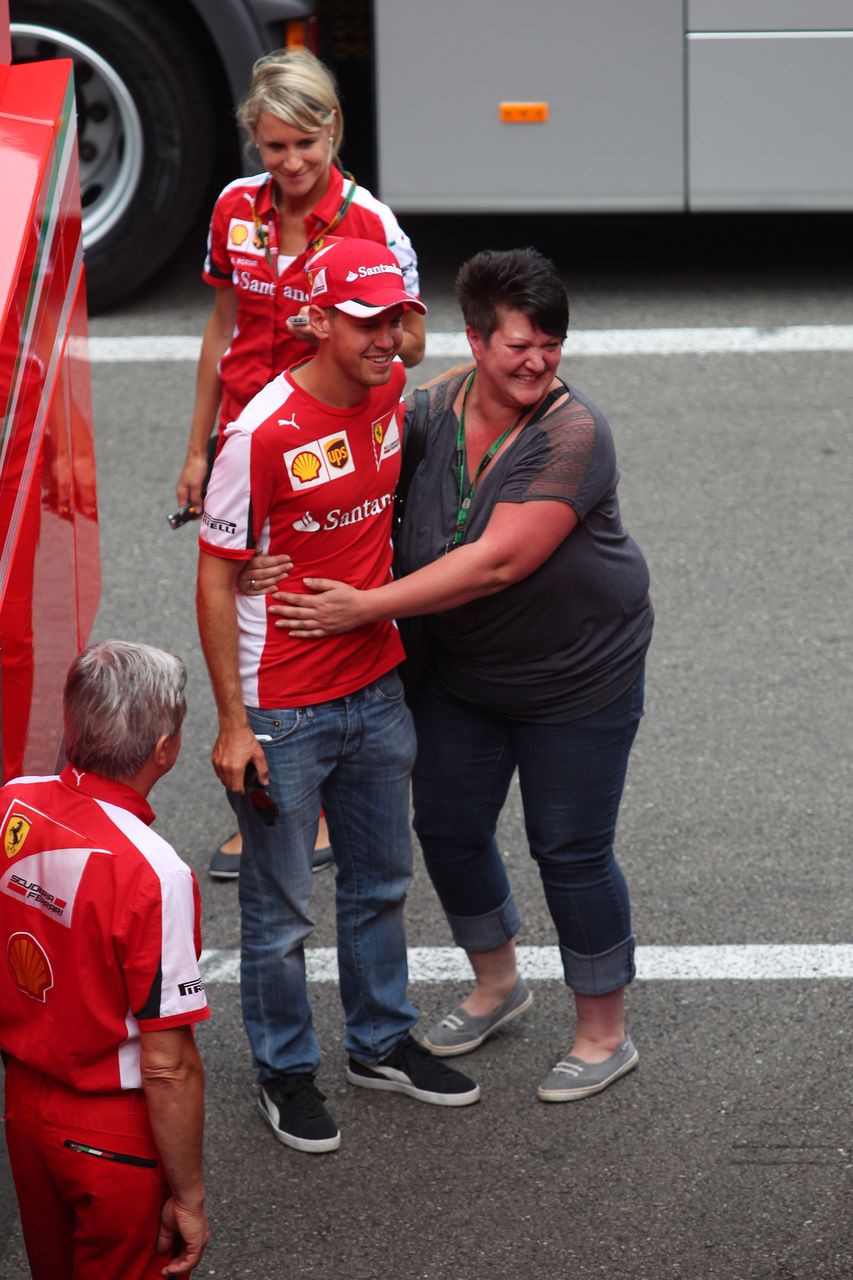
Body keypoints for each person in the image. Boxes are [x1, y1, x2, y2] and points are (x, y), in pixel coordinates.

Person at [271, 247, 654, 1103]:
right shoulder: (427, 409)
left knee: (571, 851)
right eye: (519, 345)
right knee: (446, 826)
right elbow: (345, 473)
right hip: (463, 670)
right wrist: (268, 552)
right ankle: (496, 984)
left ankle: (603, 1032)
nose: (538, 362)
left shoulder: (572, 433)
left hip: (576, 679)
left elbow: (494, 563)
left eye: (551, 345)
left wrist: (362, 608)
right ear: (475, 340)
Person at [196, 237, 480, 1156]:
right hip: (282, 709)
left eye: (394, 318)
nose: (386, 339)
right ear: (314, 321)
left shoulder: (390, 382)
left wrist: (399, 289)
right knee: (279, 916)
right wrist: (234, 725)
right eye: (364, 321)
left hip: (375, 687)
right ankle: (284, 1069)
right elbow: (215, 577)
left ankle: (379, 1042)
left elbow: (421, 347)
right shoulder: (260, 432)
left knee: (381, 885)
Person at [174, 47, 426, 881]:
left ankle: (307, 800)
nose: (288, 165)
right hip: (248, 451)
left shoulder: (372, 223)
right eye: (272, 147)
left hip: (323, 442)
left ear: (334, 133)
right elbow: (220, 330)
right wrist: (197, 448)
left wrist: (351, 337)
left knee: (305, 605)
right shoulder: (232, 208)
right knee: (239, 592)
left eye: (303, 147)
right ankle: (273, 782)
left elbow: (412, 340)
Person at [0, 641, 210, 1279]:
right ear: (165, 749)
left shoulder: (13, 801)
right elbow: (169, 1066)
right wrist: (191, 1197)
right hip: (108, 1132)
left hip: (24, 1105)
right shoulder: (157, 873)